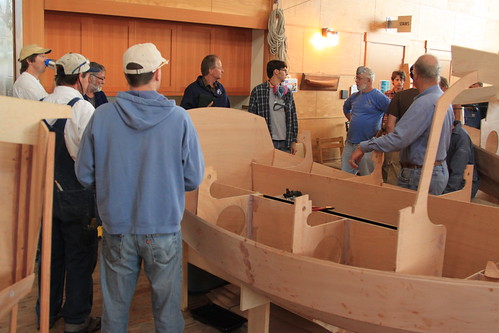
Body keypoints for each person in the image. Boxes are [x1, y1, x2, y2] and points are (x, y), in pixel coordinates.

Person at [75, 43, 205, 333]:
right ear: (157, 73)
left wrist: (114, 181)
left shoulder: (102, 116)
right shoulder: (180, 118)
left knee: (115, 313)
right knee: (168, 314)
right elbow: (193, 178)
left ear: (126, 75)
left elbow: (84, 174)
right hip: (163, 229)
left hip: (116, 229)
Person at [39, 52, 101, 333]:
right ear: (80, 77)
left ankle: (47, 313)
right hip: (76, 196)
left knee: (51, 258)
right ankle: (76, 321)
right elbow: (89, 159)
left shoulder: (41, 103)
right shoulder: (83, 108)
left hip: (44, 194)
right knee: (79, 258)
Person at [349, 54, 454, 195]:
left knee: (402, 214)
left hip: (420, 174)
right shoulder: (443, 99)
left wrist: (364, 146)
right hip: (437, 169)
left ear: (415, 75)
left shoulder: (424, 103)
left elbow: (399, 138)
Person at [341, 66, 390, 175]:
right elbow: (345, 108)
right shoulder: (354, 97)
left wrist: (385, 128)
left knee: (367, 177)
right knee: (344, 175)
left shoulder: (379, 97)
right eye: (356, 78)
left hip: (368, 144)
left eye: (359, 78)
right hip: (351, 142)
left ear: (369, 80)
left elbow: (393, 112)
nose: (356, 81)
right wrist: (352, 119)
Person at [248, 59, 298, 154]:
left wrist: (294, 141)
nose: (286, 73)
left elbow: (293, 117)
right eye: (284, 70)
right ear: (276, 72)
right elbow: (252, 118)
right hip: (266, 141)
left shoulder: (287, 92)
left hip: (285, 141)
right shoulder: (258, 91)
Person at [382, 67, 420, 184]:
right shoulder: (390, 95)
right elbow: (386, 120)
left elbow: (390, 124)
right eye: (397, 80)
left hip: (398, 136)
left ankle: (392, 191)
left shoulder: (403, 95)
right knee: (390, 163)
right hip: (404, 137)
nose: (399, 82)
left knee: (395, 165)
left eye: (401, 80)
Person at [443, 120, 480, 198]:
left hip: (464, 183)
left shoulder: (461, 137)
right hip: (451, 178)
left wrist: (448, 193)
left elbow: (458, 169)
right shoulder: (447, 133)